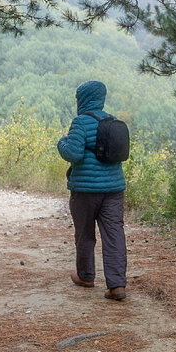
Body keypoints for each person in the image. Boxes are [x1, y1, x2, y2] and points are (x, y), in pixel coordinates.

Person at [57, 80, 127, 301]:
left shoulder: (81, 122)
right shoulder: (113, 121)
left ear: (84, 98)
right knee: (114, 235)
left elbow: (73, 154)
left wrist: (62, 142)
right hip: (114, 189)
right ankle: (117, 286)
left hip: (85, 190)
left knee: (85, 234)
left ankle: (86, 276)